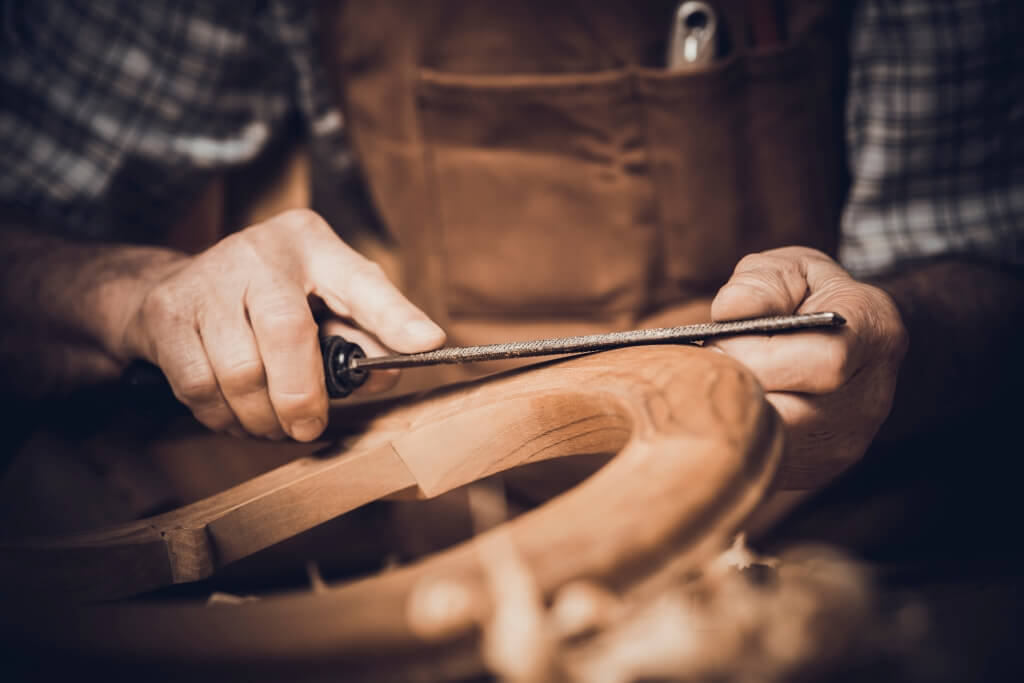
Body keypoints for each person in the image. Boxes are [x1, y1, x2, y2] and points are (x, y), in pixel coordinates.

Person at [0, 0, 1021, 493]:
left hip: (832, 532)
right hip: (416, 518)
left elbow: (988, 259)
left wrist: (900, 342)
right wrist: (135, 293)